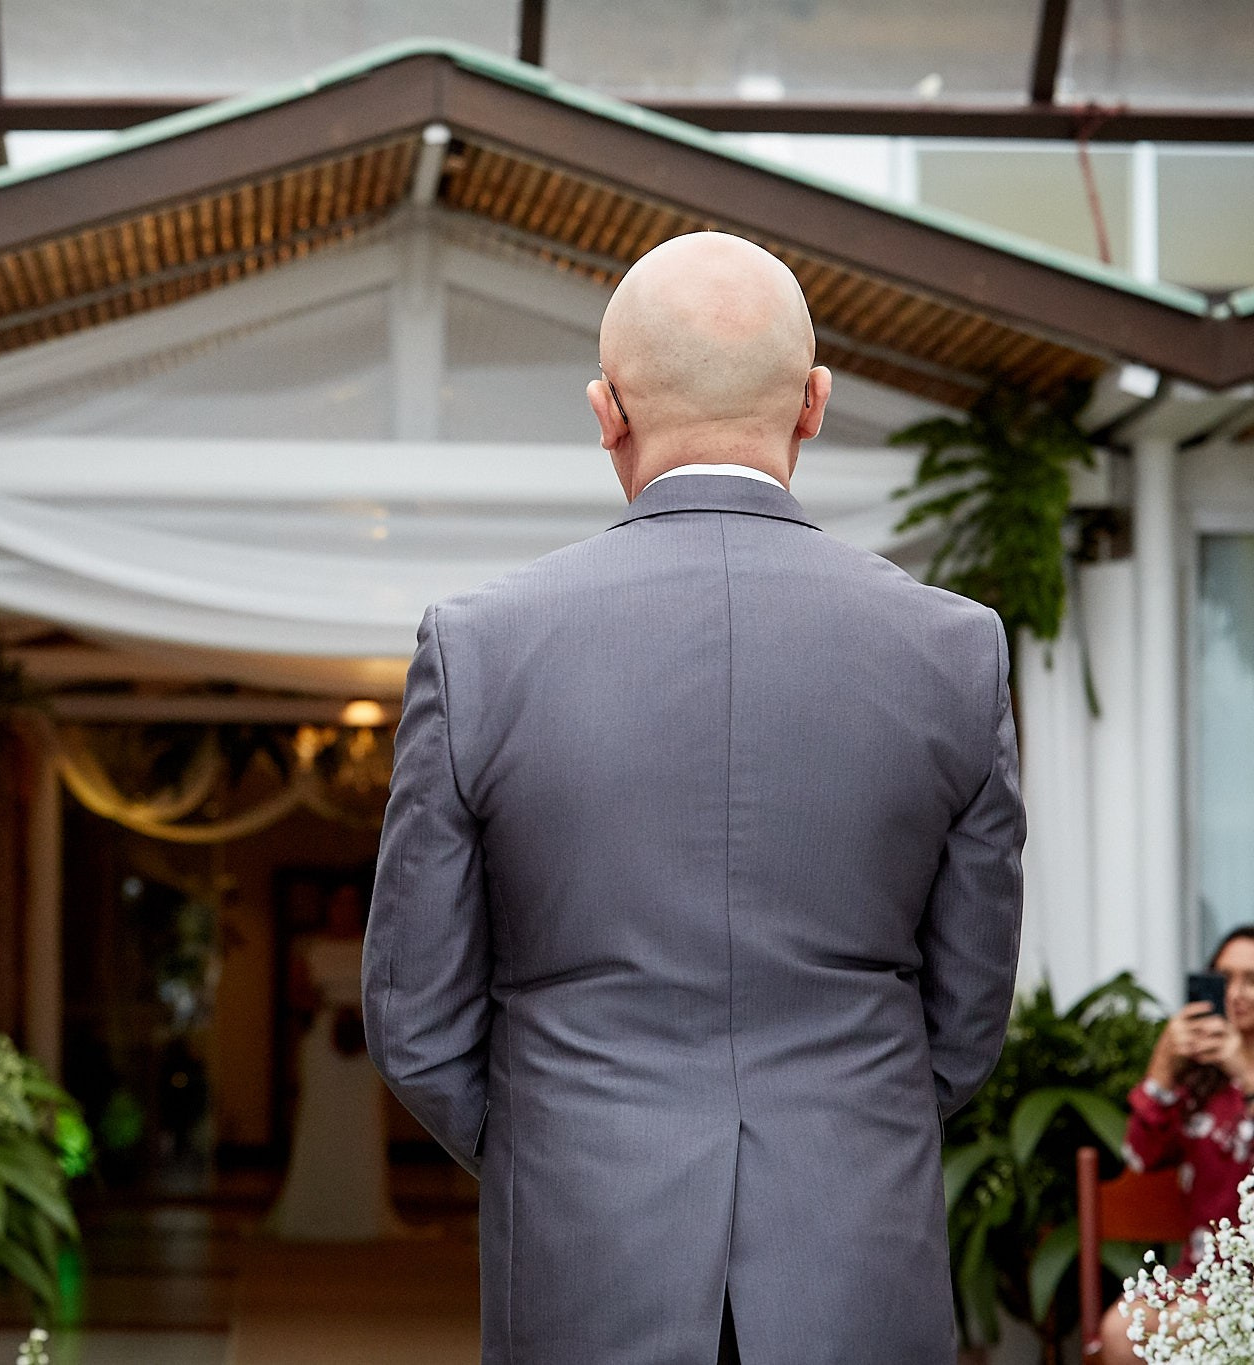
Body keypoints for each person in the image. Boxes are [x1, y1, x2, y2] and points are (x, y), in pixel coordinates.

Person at [363, 230, 1025, 1365]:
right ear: (813, 404)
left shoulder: (480, 647)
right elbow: (965, 1020)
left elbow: (415, 1021)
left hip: (581, 1247)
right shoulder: (950, 650)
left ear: (604, 409)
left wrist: (559, 1146)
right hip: (856, 1244)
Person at [1097, 926, 1254, 1364]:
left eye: (1252, 979)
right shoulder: (1200, 1084)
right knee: (1120, 1328)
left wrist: (1246, 1072)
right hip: (1201, 1283)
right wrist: (1164, 1065)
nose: (1238, 993)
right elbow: (1139, 1157)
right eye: (1225, 979)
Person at [266, 883, 402, 1241]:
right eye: (339, 902)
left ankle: (361, 1209)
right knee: (321, 1118)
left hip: (363, 1040)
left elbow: (389, 991)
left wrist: (361, 1018)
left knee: (361, 1120)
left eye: (351, 903)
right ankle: (314, 1205)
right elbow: (296, 994)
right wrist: (331, 1010)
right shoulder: (311, 947)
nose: (345, 909)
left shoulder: (372, 943)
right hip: (325, 1038)